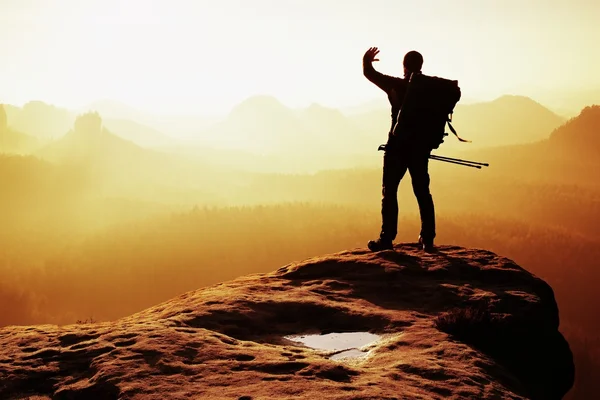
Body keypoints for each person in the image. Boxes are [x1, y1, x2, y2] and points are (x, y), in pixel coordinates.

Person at [363, 47, 436, 252]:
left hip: (397, 148)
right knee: (422, 191)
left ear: (404, 66)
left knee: (390, 191)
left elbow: (370, 74)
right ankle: (427, 238)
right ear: (421, 66)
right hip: (420, 149)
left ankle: (387, 239)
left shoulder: (397, 85)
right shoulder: (431, 89)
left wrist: (367, 60)